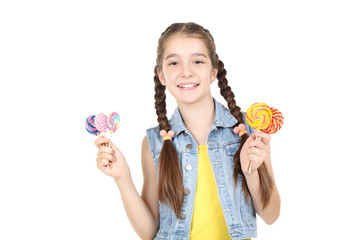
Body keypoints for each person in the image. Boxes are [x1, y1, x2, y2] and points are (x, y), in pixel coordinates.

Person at [95, 22, 281, 240]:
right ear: (162, 76)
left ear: (214, 71)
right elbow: (149, 231)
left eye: (197, 61)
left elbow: (271, 215)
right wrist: (122, 177)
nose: (186, 72)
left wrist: (250, 172)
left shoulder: (249, 132)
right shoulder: (154, 142)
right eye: (174, 62)